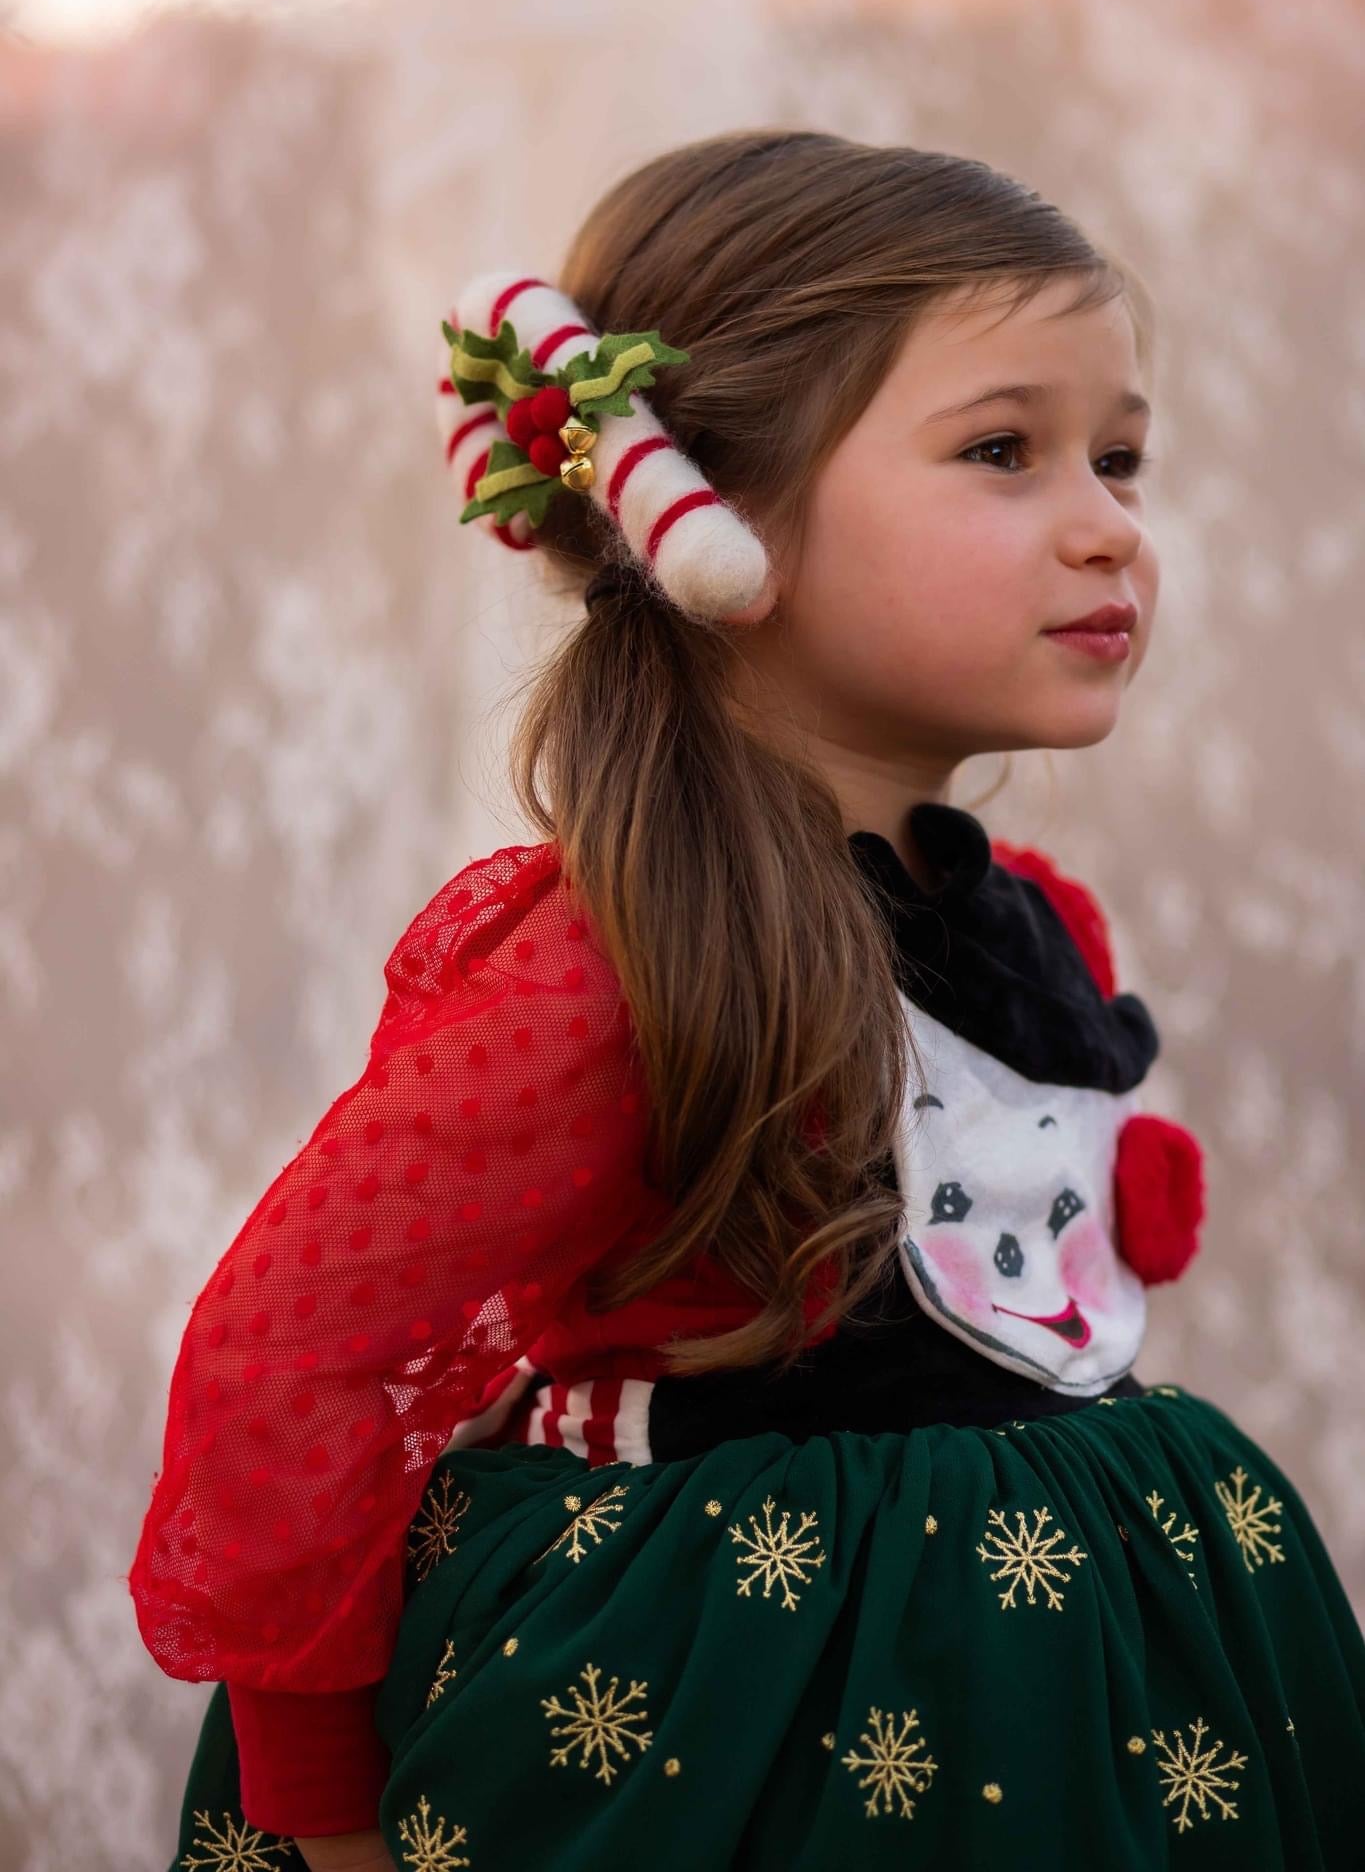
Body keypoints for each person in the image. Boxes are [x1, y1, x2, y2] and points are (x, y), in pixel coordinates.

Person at [131, 129, 1365, 1871]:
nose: (1107, 526)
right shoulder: (621, 969)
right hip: (725, 1702)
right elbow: (295, 1349)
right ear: (711, 509)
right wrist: (321, 1809)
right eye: (1003, 452)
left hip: (1081, 1673)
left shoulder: (1024, 927)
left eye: (1122, 457)